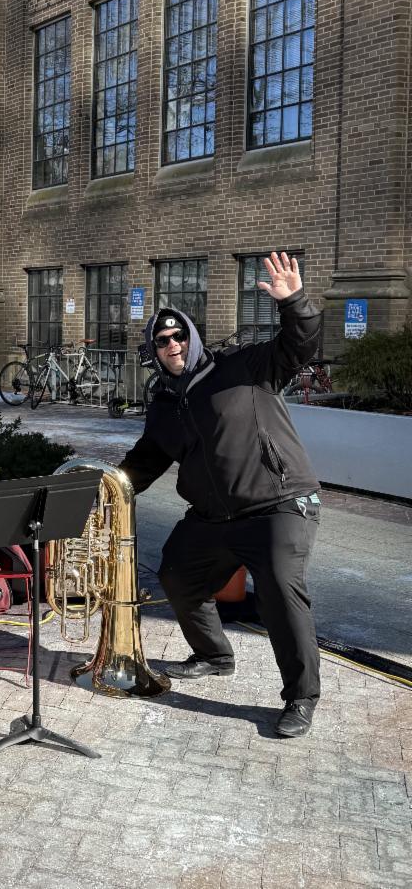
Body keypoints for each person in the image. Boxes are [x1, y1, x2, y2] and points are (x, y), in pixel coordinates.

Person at [119, 252, 323, 738]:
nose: (173, 344)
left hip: (278, 504)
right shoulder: (165, 405)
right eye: (162, 339)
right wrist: (98, 489)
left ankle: (301, 697)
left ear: (192, 336)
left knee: (278, 587)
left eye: (179, 334)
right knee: (176, 572)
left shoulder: (244, 367)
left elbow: (301, 344)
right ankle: (214, 654)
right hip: (213, 517)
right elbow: (146, 460)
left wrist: (294, 301)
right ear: (153, 349)